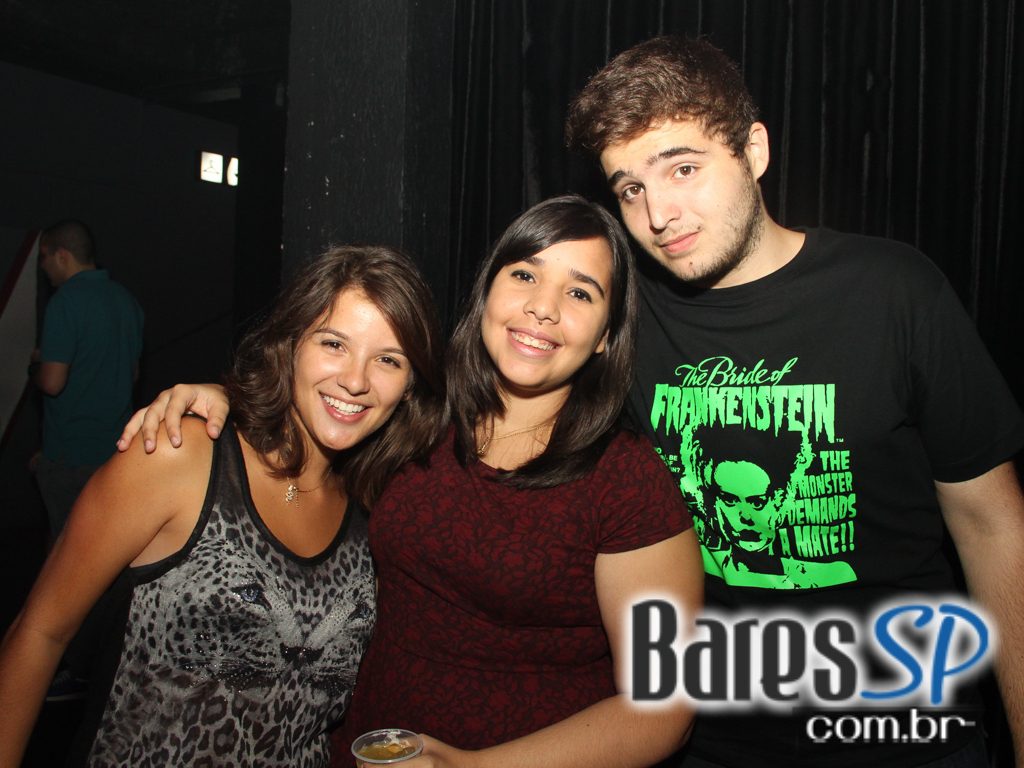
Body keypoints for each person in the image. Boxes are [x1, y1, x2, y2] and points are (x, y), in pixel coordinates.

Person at [563, 35, 1024, 768]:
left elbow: (992, 526)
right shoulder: (624, 318)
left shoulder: (893, 292)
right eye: (631, 189)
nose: (659, 214)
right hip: (707, 745)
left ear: (754, 150)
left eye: (683, 168)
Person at [119, 195, 704, 768]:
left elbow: (666, 710)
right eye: (525, 275)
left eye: (580, 292)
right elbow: (318, 412)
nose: (542, 308)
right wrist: (228, 406)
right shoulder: (417, 422)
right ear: (487, 292)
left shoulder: (627, 481)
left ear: (606, 335)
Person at [0, 245, 446, 768]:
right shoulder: (180, 456)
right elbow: (40, 633)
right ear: (290, 346)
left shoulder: (379, 513)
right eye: (333, 343)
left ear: (410, 386)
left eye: (389, 360)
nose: (355, 380)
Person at [31, 219, 144, 540]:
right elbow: (132, 375)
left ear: (62, 255)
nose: (42, 266)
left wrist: (35, 366)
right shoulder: (126, 300)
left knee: (66, 553)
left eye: (44, 257)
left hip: (72, 457)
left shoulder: (65, 300)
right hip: (115, 453)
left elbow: (52, 383)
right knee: (107, 548)